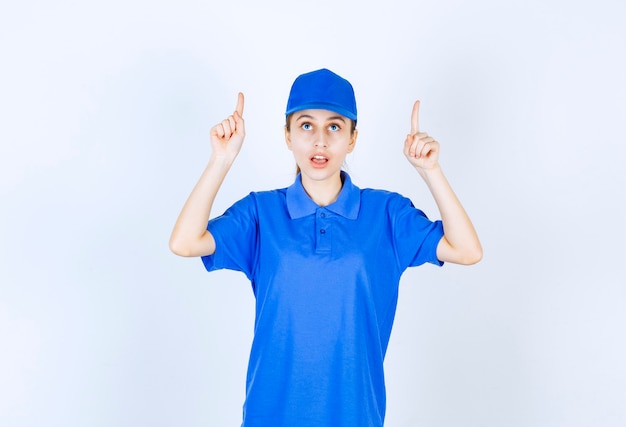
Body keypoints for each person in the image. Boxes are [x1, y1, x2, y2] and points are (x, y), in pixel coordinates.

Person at [169, 68, 482, 427]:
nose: (320, 141)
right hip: (269, 416)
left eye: (334, 126)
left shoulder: (386, 214)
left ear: (352, 138)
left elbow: (466, 250)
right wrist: (221, 159)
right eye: (306, 126)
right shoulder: (261, 213)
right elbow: (185, 242)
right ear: (287, 136)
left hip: (355, 417)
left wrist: (431, 171)